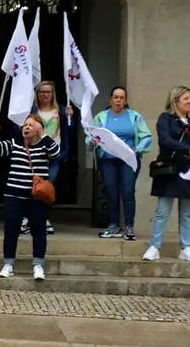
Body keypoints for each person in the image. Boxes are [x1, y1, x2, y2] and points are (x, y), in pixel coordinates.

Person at [0, 115, 60, 281]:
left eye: (31, 125)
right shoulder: (15, 143)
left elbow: (56, 154)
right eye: (25, 125)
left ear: (39, 129)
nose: (26, 127)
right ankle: (8, 264)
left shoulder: (45, 144)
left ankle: (38, 265)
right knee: (11, 229)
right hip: (14, 194)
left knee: (39, 231)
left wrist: (44, 135)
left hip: (37, 197)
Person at [87, 86, 152, 239]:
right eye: (116, 97)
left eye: (122, 97)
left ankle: (129, 226)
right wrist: (91, 142)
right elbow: (91, 135)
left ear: (125, 100)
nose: (118, 100)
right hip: (107, 160)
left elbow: (147, 136)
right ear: (110, 99)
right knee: (111, 192)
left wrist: (138, 149)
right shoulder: (101, 117)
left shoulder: (135, 116)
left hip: (128, 160)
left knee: (128, 192)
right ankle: (113, 225)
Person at [20, 80, 74, 235]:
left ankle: (42, 218)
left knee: (45, 188)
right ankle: (26, 218)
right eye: (42, 91)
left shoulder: (61, 111)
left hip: (53, 155)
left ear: (53, 94)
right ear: (37, 94)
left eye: (48, 92)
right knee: (30, 186)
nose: (45, 94)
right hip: (34, 155)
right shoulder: (31, 111)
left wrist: (70, 118)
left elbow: (69, 132)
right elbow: (22, 128)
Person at [143, 86, 190, 262]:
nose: (189, 101)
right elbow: (165, 140)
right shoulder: (165, 118)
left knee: (187, 212)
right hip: (170, 169)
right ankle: (154, 246)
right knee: (163, 210)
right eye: (186, 98)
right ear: (175, 100)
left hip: (188, 170)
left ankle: (186, 247)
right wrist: (187, 149)